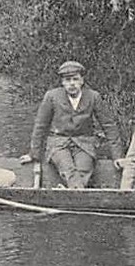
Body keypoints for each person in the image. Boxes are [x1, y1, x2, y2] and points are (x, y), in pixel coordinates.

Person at [22, 60, 117, 188]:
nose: (72, 83)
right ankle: (76, 192)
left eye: (75, 79)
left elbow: (109, 126)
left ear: (82, 80)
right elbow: (40, 126)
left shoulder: (93, 97)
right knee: (67, 168)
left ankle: (68, 190)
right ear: (62, 82)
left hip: (84, 144)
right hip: (58, 144)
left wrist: (117, 156)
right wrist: (34, 154)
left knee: (84, 169)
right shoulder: (52, 96)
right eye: (67, 80)